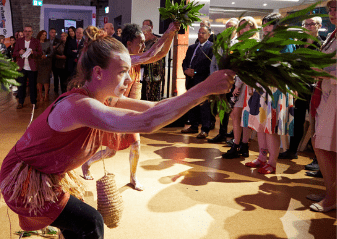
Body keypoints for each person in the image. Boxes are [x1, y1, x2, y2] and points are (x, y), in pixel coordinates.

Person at [0, 26, 235, 238]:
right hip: (24, 179)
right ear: (99, 72)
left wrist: (203, 93)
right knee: (90, 222)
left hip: (48, 173)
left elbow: (153, 107)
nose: (128, 79)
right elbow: (147, 122)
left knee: (76, 225)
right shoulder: (80, 106)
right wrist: (204, 88)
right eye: (122, 71)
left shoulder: (104, 97)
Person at [81, 22, 180, 190]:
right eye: (139, 42)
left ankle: (133, 178)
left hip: (123, 106)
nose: (142, 45)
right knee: (111, 151)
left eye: (143, 41)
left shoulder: (132, 60)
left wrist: (171, 35)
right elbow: (150, 53)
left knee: (135, 143)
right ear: (128, 44)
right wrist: (167, 32)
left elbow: (160, 54)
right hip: (112, 106)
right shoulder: (124, 58)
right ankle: (87, 163)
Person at [243, 13, 295, 173]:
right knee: (260, 125)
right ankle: (261, 157)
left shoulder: (286, 42)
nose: (265, 28)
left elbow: (286, 64)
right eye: (264, 24)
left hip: (276, 88)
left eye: (269, 24)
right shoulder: (263, 42)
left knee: (272, 127)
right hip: (261, 87)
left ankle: (272, 162)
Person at [279, 16, 323, 160]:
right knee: (297, 119)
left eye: (312, 24)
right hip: (299, 85)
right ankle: (292, 150)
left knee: (316, 120)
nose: (309, 26)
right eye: (306, 24)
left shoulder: (322, 44)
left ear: (319, 26)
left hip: (316, 87)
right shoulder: (298, 44)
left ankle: (318, 158)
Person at [308, 0, 336, 212]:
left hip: (334, 96)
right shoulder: (332, 36)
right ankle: (330, 192)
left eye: (336, 9)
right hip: (326, 95)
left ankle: (332, 197)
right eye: (330, 10)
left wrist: (324, 73)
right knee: (322, 146)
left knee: (326, 148)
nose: (333, 13)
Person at [222, 16, 259, 158]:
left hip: (248, 84)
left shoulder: (254, 43)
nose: (244, 29)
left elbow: (248, 66)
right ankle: (238, 144)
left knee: (245, 115)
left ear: (252, 27)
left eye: (247, 26)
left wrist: (238, 84)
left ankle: (243, 144)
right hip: (236, 81)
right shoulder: (235, 42)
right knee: (235, 115)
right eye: (242, 26)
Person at [208, 18, 239, 143]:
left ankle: (237, 138)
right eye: (227, 26)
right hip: (221, 80)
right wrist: (213, 77)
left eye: (231, 26)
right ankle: (222, 133)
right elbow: (214, 61)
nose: (228, 29)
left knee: (235, 111)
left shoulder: (239, 42)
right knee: (222, 108)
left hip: (235, 82)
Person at [181, 26, 213, 139]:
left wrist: (195, 72)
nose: (200, 35)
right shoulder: (192, 47)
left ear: (209, 35)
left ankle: (205, 129)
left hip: (202, 81)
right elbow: (184, 61)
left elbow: (210, 66)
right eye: (199, 32)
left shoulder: (211, 48)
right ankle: (193, 126)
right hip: (190, 81)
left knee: (204, 106)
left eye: (203, 33)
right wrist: (186, 70)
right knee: (191, 104)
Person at [13, 25, 43, 109]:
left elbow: (40, 53)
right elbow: (14, 53)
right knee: (21, 86)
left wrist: (33, 52)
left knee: (33, 86)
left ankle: (34, 102)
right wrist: (19, 52)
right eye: (26, 31)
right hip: (21, 67)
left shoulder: (36, 41)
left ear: (32, 32)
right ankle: (20, 102)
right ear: (23, 32)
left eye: (29, 31)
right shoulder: (19, 41)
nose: (27, 33)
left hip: (32, 67)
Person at [141, 22, 165, 101]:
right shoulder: (144, 43)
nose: (143, 38)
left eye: (143, 35)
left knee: (153, 100)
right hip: (144, 76)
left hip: (154, 76)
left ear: (147, 33)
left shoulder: (158, 41)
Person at [36, 30, 53, 103]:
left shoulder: (48, 43)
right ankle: (40, 95)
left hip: (46, 63)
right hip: (38, 63)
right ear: (40, 35)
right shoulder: (36, 43)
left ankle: (46, 95)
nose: (44, 36)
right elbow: (33, 51)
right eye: (43, 34)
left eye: (45, 35)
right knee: (39, 80)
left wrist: (46, 55)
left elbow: (52, 52)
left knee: (46, 80)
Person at [49, 28, 60, 94]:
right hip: (48, 60)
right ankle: (47, 89)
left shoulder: (58, 41)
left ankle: (56, 89)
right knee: (47, 75)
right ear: (50, 33)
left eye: (54, 32)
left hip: (56, 60)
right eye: (52, 32)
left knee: (56, 75)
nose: (54, 34)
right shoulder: (47, 40)